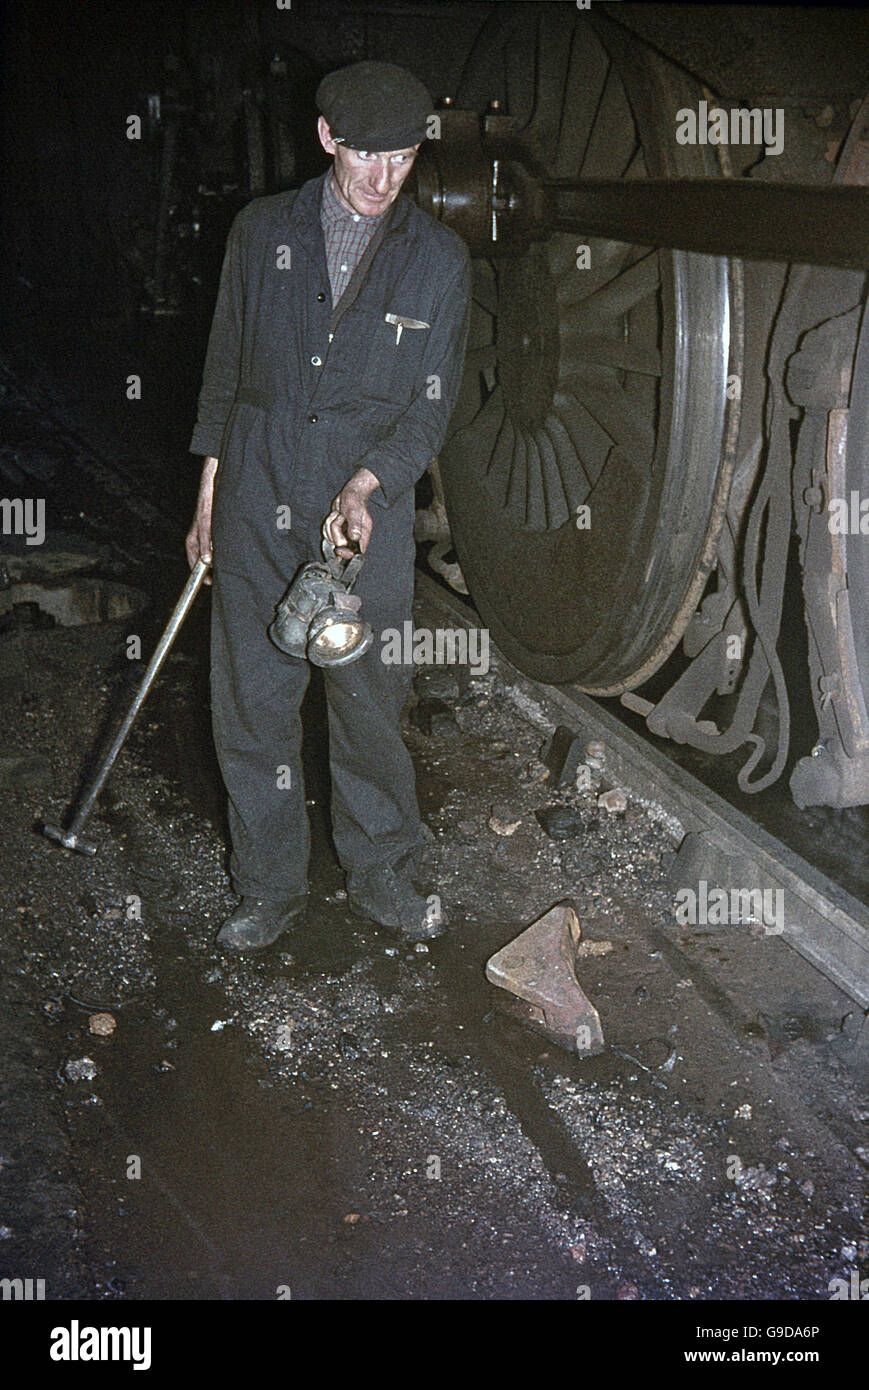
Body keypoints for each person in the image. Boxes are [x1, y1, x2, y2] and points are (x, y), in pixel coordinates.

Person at [185, 61, 471, 952]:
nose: (384, 180)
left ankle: (382, 872)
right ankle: (267, 886)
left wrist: (367, 483)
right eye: (366, 156)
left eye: (403, 159)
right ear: (326, 139)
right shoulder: (260, 231)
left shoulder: (439, 259)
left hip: (363, 508)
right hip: (255, 484)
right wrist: (207, 499)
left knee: (367, 701)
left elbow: (430, 404)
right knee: (253, 703)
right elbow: (225, 370)